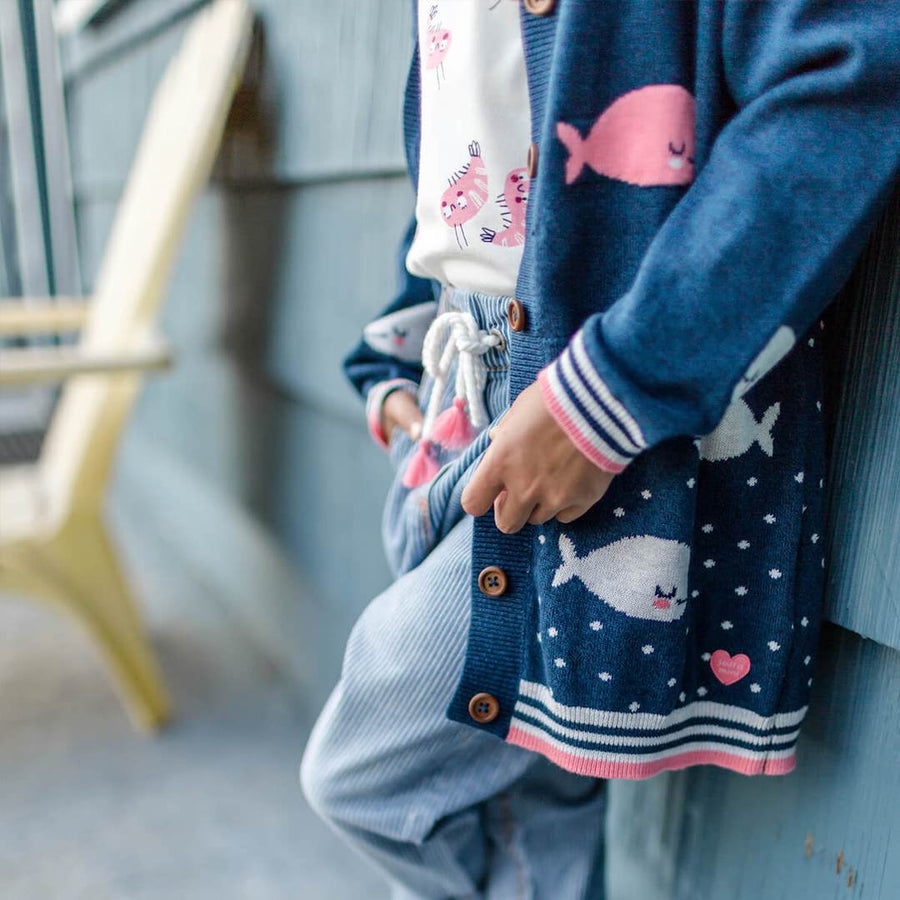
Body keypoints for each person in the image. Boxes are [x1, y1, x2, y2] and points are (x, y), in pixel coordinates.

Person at [301, 1, 900, 897]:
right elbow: (478, 142)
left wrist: (612, 391)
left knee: (363, 777)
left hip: (600, 412)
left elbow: (851, 77)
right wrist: (400, 351)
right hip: (460, 393)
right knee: (526, 801)